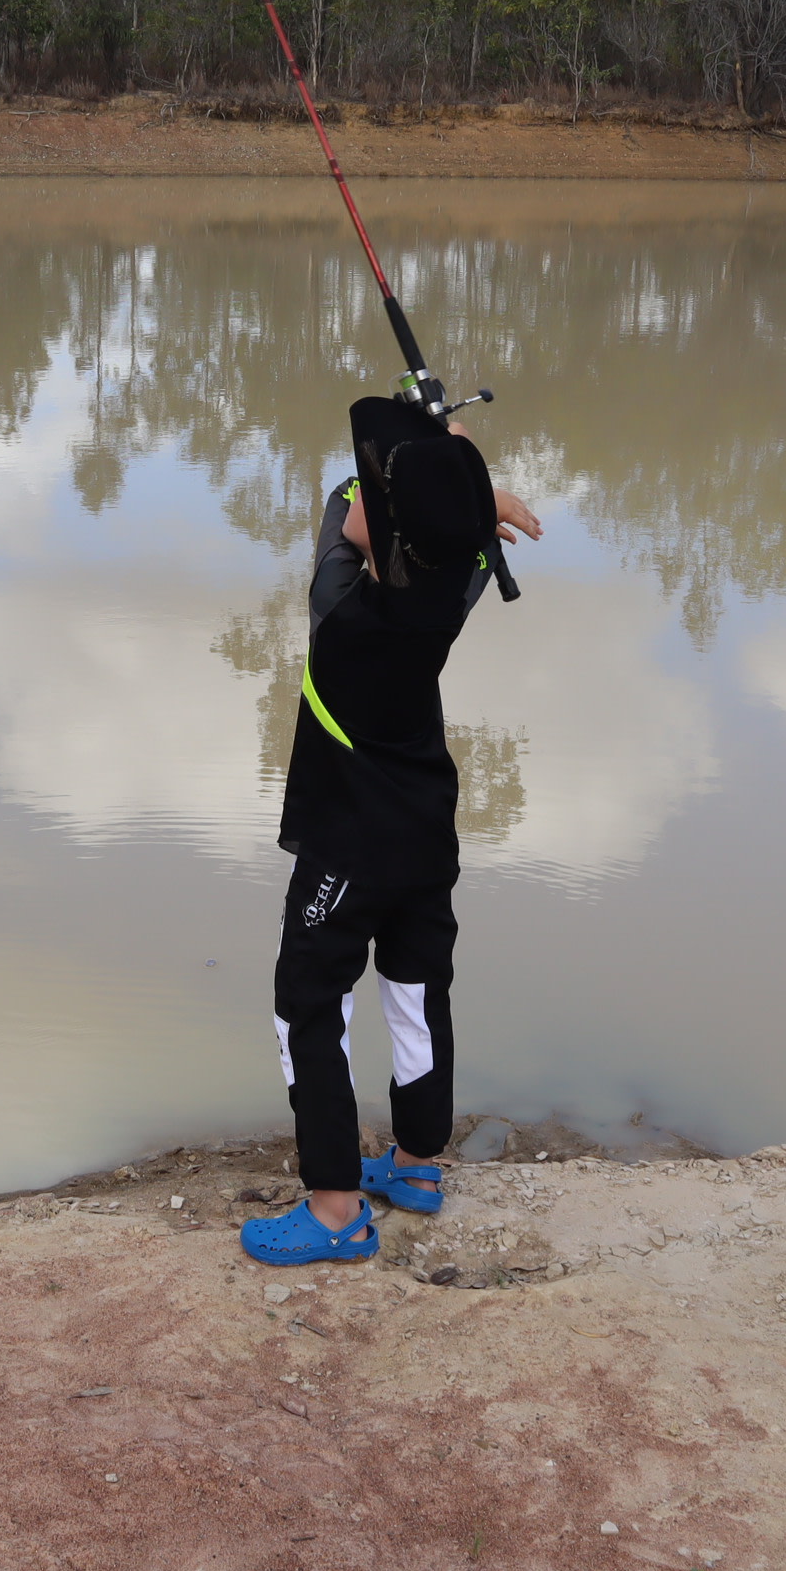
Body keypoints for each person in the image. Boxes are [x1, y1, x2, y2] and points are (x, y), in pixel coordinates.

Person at [241, 398, 541, 1268]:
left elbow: (342, 504)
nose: (358, 497)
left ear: (390, 536)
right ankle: (415, 1165)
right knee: (415, 991)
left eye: (379, 494)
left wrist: (448, 465)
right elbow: (420, 520)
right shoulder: (456, 582)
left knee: (308, 1005)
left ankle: (335, 1208)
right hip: (424, 839)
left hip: (348, 851)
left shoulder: (341, 607)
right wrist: (464, 475)